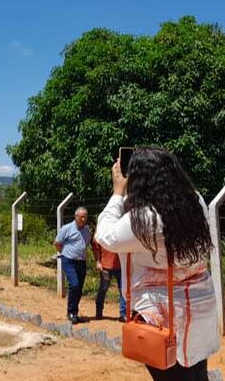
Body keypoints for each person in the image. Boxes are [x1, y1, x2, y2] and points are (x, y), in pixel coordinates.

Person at [96, 147, 219, 380]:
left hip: (162, 319)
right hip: (198, 309)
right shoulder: (195, 200)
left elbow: (105, 235)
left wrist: (117, 192)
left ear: (140, 180)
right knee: (196, 374)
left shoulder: (147, 218)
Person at [55, 207, 90, 324]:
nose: (83, 219)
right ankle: (70, 311)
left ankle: (74, 312)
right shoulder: (67, 228)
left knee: (79, 287)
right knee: (74, 284)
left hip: (81, 261)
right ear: (76, 217)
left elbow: (86, 245)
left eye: (85, 217)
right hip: (69, 260)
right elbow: (57, 243)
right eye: (81, 217)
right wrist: (64, 253)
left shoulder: (87, 230)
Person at [91, 234, 126, 322]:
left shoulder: (120, 229)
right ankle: (99, 312)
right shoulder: (102, 230)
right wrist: (98, 261)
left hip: (121, 265)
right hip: (106, 266)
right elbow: (95, 246)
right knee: (103, 289)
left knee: (123, 289)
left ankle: (123, 314)